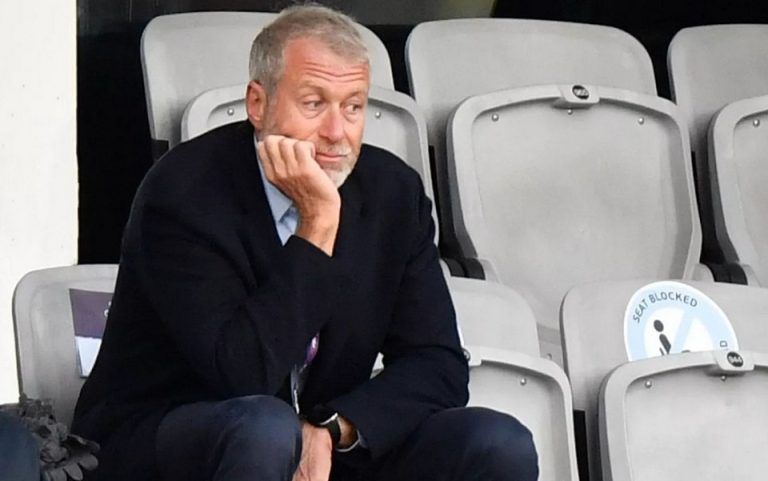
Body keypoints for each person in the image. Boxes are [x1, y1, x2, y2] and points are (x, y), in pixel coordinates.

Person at [72, 5, 539, 481]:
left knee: (495, 443)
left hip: (311, 441)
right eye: (314, 104)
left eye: (353, 107)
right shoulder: (185, 193)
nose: (337, 134)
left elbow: (438, 364)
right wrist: (317, 224)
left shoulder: (392, 193)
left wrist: (336, 427)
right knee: (266, 428)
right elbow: (240, 375)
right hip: (174, 440)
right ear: (258, 103)